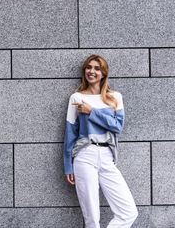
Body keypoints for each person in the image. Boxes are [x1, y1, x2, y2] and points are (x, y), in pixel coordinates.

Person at [63, 54, 138, 228]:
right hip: (84, 155)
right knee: (92, 218)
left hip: (107, 156)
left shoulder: (114, 97)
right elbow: (70, 134)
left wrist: (92, 112)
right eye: (89, 67)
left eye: (97, 68)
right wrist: (68, 165)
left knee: (128, 212)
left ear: (103, 73)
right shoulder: (76, 98)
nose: (92, 71)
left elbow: (117, 127)